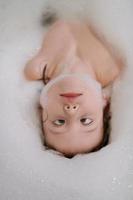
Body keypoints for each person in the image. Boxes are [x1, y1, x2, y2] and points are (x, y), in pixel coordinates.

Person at [24, 20, 123, 158]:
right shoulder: (111, 67)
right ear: (103, 102)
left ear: (42, 108)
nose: (71, 111)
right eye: (86, 121)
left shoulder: (35, 68)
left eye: (59, 122)